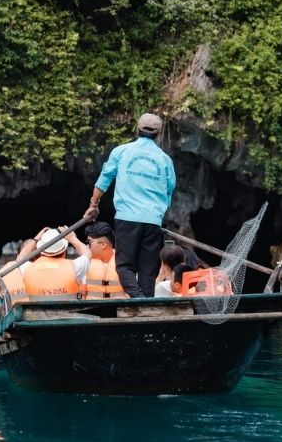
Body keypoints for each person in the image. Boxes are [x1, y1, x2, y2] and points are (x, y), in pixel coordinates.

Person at [83, 113, 176, 297]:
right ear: (158, 134)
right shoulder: (165, 160)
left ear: (137, 129)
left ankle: (139, 299)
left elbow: (104, 180)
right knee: (147, 269)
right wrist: (158, 214)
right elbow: (169, 190)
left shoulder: (122, 151)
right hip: (152, 221)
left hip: (128, 217)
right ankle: (145, 304)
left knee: (124, 266)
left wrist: (94, 204)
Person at [14, 226, 91, 301]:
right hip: (67, 313)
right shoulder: (74, 267)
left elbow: (20, 259)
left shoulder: (28, 269)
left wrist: (36, 239)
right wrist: (73, 239)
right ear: (64, 250)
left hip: (37, 313)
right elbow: (87, 253)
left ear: (41, 251)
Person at [80, 222, 128, 299]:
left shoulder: (125, 260)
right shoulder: (85, 262)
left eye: (89, 242)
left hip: (119, 309)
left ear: (103, 245)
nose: (87, 245)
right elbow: (81, 294)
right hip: (92, 309)